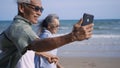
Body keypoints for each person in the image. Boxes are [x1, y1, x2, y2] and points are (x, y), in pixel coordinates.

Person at [0, 0, 94, 68]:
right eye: (36, 9)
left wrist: (44, 54)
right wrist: (72, 37)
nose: (39, 13)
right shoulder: (20, 28)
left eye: (41, 9)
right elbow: (36, 44)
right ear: (22, 8)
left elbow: (27, 47)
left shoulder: (23, 28)